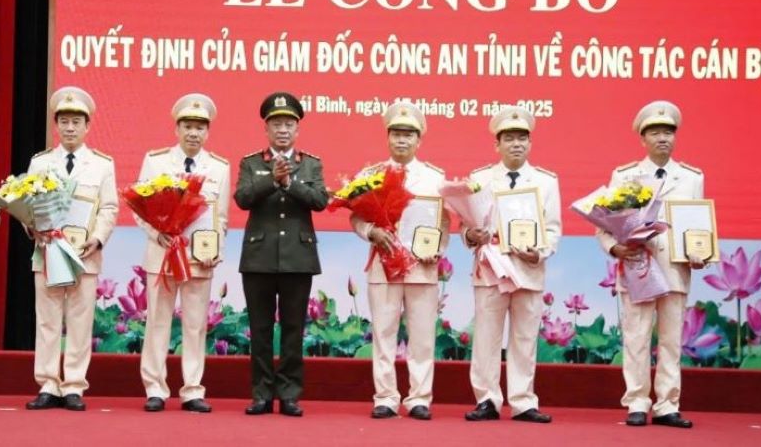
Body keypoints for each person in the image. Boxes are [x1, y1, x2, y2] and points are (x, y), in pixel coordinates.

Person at [597, 100, 705, 429]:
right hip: (637, 264)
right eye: (655, 133)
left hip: (674, 266)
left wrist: (700, 251)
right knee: (636, 336)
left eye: (669, 132)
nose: (663, 138)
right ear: (642, 139)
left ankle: (668, 404)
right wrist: (614, 247)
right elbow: (604, 222)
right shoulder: (626, 175)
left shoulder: (691, 178)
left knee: (671, 339)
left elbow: (698, 224)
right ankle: (637, 402)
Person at [24, 86, 118, 412]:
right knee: (47, 321)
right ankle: (48, 384)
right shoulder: (40, 163)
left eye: (76, 121)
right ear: (56, 125)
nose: (70, 127)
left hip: (85, 254)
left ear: (87, 126)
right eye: (64, 121)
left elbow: (109, 208)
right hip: (47, 251)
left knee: (80, 321)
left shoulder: (102, 165)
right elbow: (28, 205)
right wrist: (30, 226)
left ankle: (74, 385)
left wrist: (99, 238)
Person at [350, 102, 446, 421]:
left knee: (421, 336)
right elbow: (356, 217)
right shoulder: (370, 175)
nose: (402, 140)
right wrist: (371, 232)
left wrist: (438, 249)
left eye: (409, 134)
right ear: (387, 137)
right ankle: (386, 397)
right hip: (384, 265)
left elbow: (443, 222)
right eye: (396, 134)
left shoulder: (435, 178)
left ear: (419, 140)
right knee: (383, 332)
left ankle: (419, 397)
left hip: (422, 266)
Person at [462, 106, 559, 423]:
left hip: (528, 268)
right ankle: (487, 399)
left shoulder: (545, 181)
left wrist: (539, 251)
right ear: (497, 144)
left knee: (525, 338)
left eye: (522, 138)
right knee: (487, 337)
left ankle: (523, 401)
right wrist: (470, 234)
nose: (516, 144)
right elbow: (466, 223)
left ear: (530, 144)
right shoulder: (479, 179)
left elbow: (554, 228)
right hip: (491, 268)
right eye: (509, 138)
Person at [234, 92, 328, 417]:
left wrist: (288, 184)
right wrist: (272, 181)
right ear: (266, 128)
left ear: (297, 128)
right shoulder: (251, 162)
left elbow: (320, 201)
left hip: (298, 258)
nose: (283, 130)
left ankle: (289, 393)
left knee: (292, 330)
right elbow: (243, 198)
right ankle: (261, 393)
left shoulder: (311, 163)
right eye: (276, 124)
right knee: (259, 330)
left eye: (289, 123)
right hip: (258, 257)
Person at [137, 94, 230, 413]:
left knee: (195, 325)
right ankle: (155, 388)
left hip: (198, 259)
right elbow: (139, 209)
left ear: (208, 132)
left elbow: (222, 217)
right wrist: (156, 231)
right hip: (162, 254)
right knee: (158, 322)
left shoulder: (219, 167)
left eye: (200, 128)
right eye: (188, 126)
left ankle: (192, 389)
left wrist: (216, 249)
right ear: (177, 128)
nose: (193, 133)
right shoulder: (156, 161)